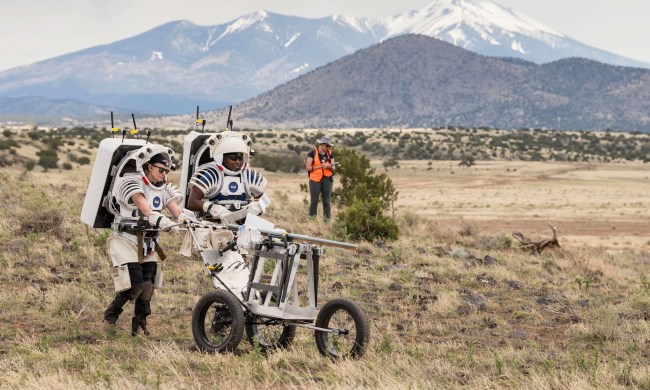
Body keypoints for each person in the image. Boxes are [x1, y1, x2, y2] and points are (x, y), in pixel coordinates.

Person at [103, 144, 184, 336]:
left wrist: (183, 220)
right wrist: (159, 218)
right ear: (149, 166)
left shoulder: (163, 189)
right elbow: (144, 207)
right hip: (126, 239)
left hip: (149, 242)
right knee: (135, 283)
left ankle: (139, 326)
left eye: (166, 171)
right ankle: (111, 314)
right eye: (160, 169)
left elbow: (176, 210)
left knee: (148, 286)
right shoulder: (132, 183)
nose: (163, 174)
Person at [185, 131, 268, 299]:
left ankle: (232, 310)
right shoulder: (208, 174)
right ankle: (227, 308)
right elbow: (192, 201)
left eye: (240, 157)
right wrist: (213, 208)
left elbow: (263, 198)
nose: (238, 162)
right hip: (215, 230)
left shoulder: (248, 177)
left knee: (242, 271)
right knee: (224, 274)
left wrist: (257, 207)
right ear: (221, 157)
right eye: (233, 158)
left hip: (242, 229)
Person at [306, 136, 335, 221]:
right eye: (327, 146)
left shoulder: (330, 153)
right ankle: (312, 220)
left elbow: (334, 168)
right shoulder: (312, 153)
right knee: (314, 201)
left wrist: (329, 167)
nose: (328, 147)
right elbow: (308, 168)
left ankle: (327, 221)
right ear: (322, 145)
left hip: (327, 179)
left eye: (329, 146)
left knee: (327, 201)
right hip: (315, 179)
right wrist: (320, 166)